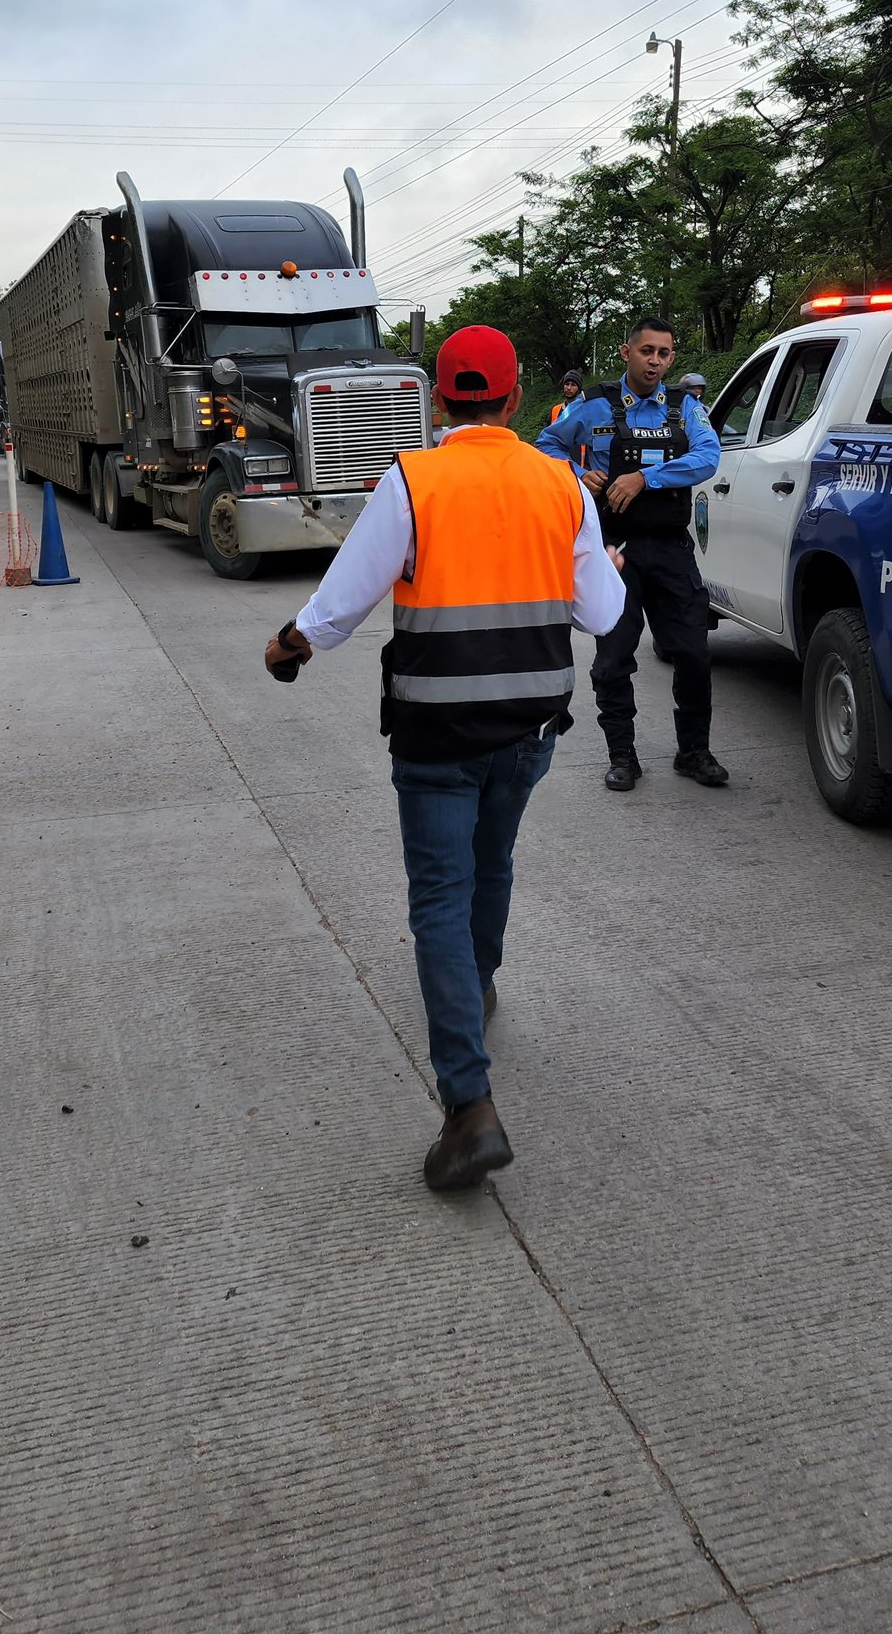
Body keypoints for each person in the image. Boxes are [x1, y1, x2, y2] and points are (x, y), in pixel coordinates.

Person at [263, 324, 625, 1192]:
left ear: (438, 398)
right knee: (490, 862)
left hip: (435, 736)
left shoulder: (413, 479)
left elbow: (344, 598)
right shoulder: (561, 483)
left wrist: (289, 645)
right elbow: (603, 617)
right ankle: (482, 981)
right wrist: (600, 564)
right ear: (513, 395)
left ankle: (469, 1104)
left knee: (438, 896)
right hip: (529, 732)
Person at [538, 318, 728, 791]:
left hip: (670, 546)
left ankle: (694, 752)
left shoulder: (686, 408)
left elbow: (709, 456)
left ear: (672, 358)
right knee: (614, 659)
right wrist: (576, 474)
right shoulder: (595, 403)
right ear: (627, 353)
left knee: (693, 654)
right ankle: (622, 756)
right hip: (614, 549)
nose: (655, 361)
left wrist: (646, 478)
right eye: (647, 351)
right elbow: (546, 447)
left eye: (664, 354)